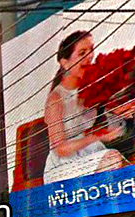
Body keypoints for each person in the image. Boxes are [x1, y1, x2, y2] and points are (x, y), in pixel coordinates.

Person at [43, 31, 130, 184]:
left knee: (125, 168)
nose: (89, 57)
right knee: (112, 159)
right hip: (63, 165)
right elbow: (60, 149)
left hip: (90, 152)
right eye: (82, 53)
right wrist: (96, 137)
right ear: (65, 63)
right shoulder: (55, 99)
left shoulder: (90, 88)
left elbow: (109, 112)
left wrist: (122, 110)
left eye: (91, 51)